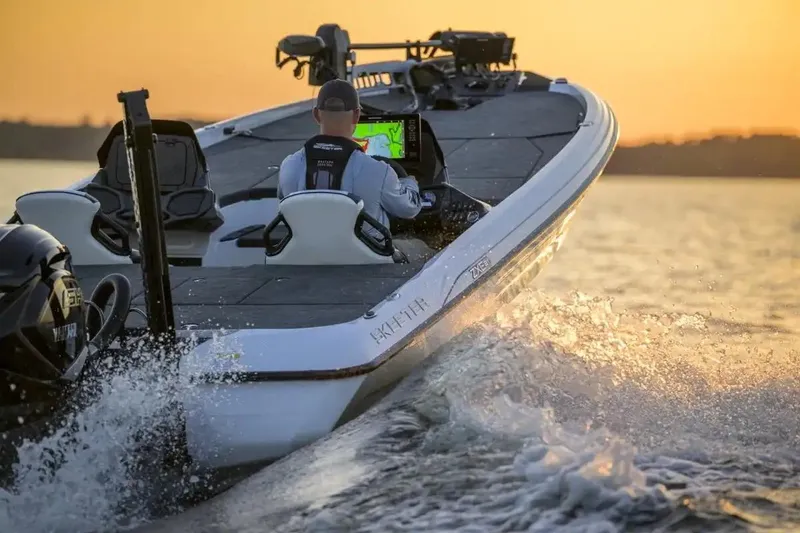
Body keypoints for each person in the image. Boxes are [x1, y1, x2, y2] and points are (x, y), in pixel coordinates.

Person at [278, 79, 431, 261]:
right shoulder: (379, 171)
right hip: (366, 261)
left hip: (305, 257)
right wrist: (410, 182)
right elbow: (409, 209)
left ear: (316, 115)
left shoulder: (288, 165)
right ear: (357, 116)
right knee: (424, 247)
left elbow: (285, 205)